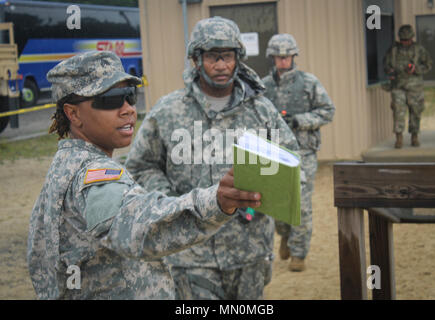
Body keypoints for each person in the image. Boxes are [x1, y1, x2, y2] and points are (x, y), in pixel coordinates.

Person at [27, 50, 263, 300]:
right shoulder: (92, 175)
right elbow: (138, 226)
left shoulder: (65, 164)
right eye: (111, 100)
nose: (128, 109)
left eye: (130, 96)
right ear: (73, 113)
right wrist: (216, 202)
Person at [125, 17, 301, 300]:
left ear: (238, 58)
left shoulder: (262, 111)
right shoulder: (168, 111)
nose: (221, 65)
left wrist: (270, 192)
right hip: (191, 254)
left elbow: (293, 164)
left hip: (250, 249)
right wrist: (177, 203)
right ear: (196, 59)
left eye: (228, 56)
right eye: (212, 56)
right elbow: (140, 166)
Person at [262, 34, 335, 272]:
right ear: (272, 58)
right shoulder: (263, 86)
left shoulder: (309, 83)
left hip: (303, 152)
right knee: (276, 204)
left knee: (301, 204)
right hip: (274, 152)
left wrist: (299, 120)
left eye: (287, 56)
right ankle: (285, 234)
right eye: (279, 57)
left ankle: (299, 253)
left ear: (294, 56)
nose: (283, 61)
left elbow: (327, 111)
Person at [383, 24, 432, 148]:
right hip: (398, 86)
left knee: (415, 112)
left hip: (415, 87)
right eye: (403, 40)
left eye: (408, 40)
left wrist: (416, 69)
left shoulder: (419, 50)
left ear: (412, 38)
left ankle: (414, 137)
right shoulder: (393, 50)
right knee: (398, 112)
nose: (405, 42)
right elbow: (386, 65)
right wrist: (390, 71)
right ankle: (399, 138)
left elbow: (428, 64)